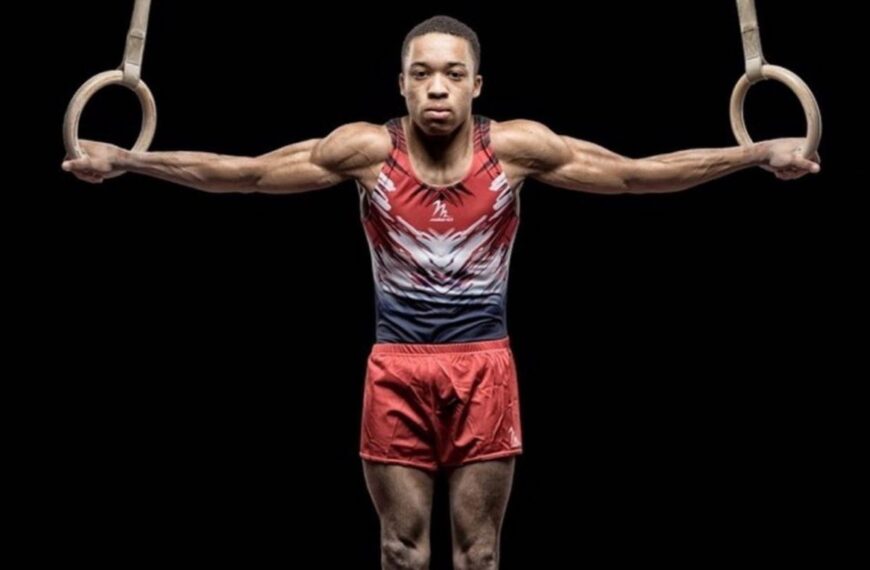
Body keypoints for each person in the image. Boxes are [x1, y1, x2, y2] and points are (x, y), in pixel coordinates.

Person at [62, 14, 821, 570]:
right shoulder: (365, 150)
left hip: (486, 366)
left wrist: (754, 152)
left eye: (452, 73)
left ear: (476, 84)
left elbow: (632, 173)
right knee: (399, 550)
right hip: (395, 367)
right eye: (422, 72)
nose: (436, 86)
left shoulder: (515, 148)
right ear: (400, 82)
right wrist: (131, 161)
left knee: (480, 552)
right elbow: (248, 173)